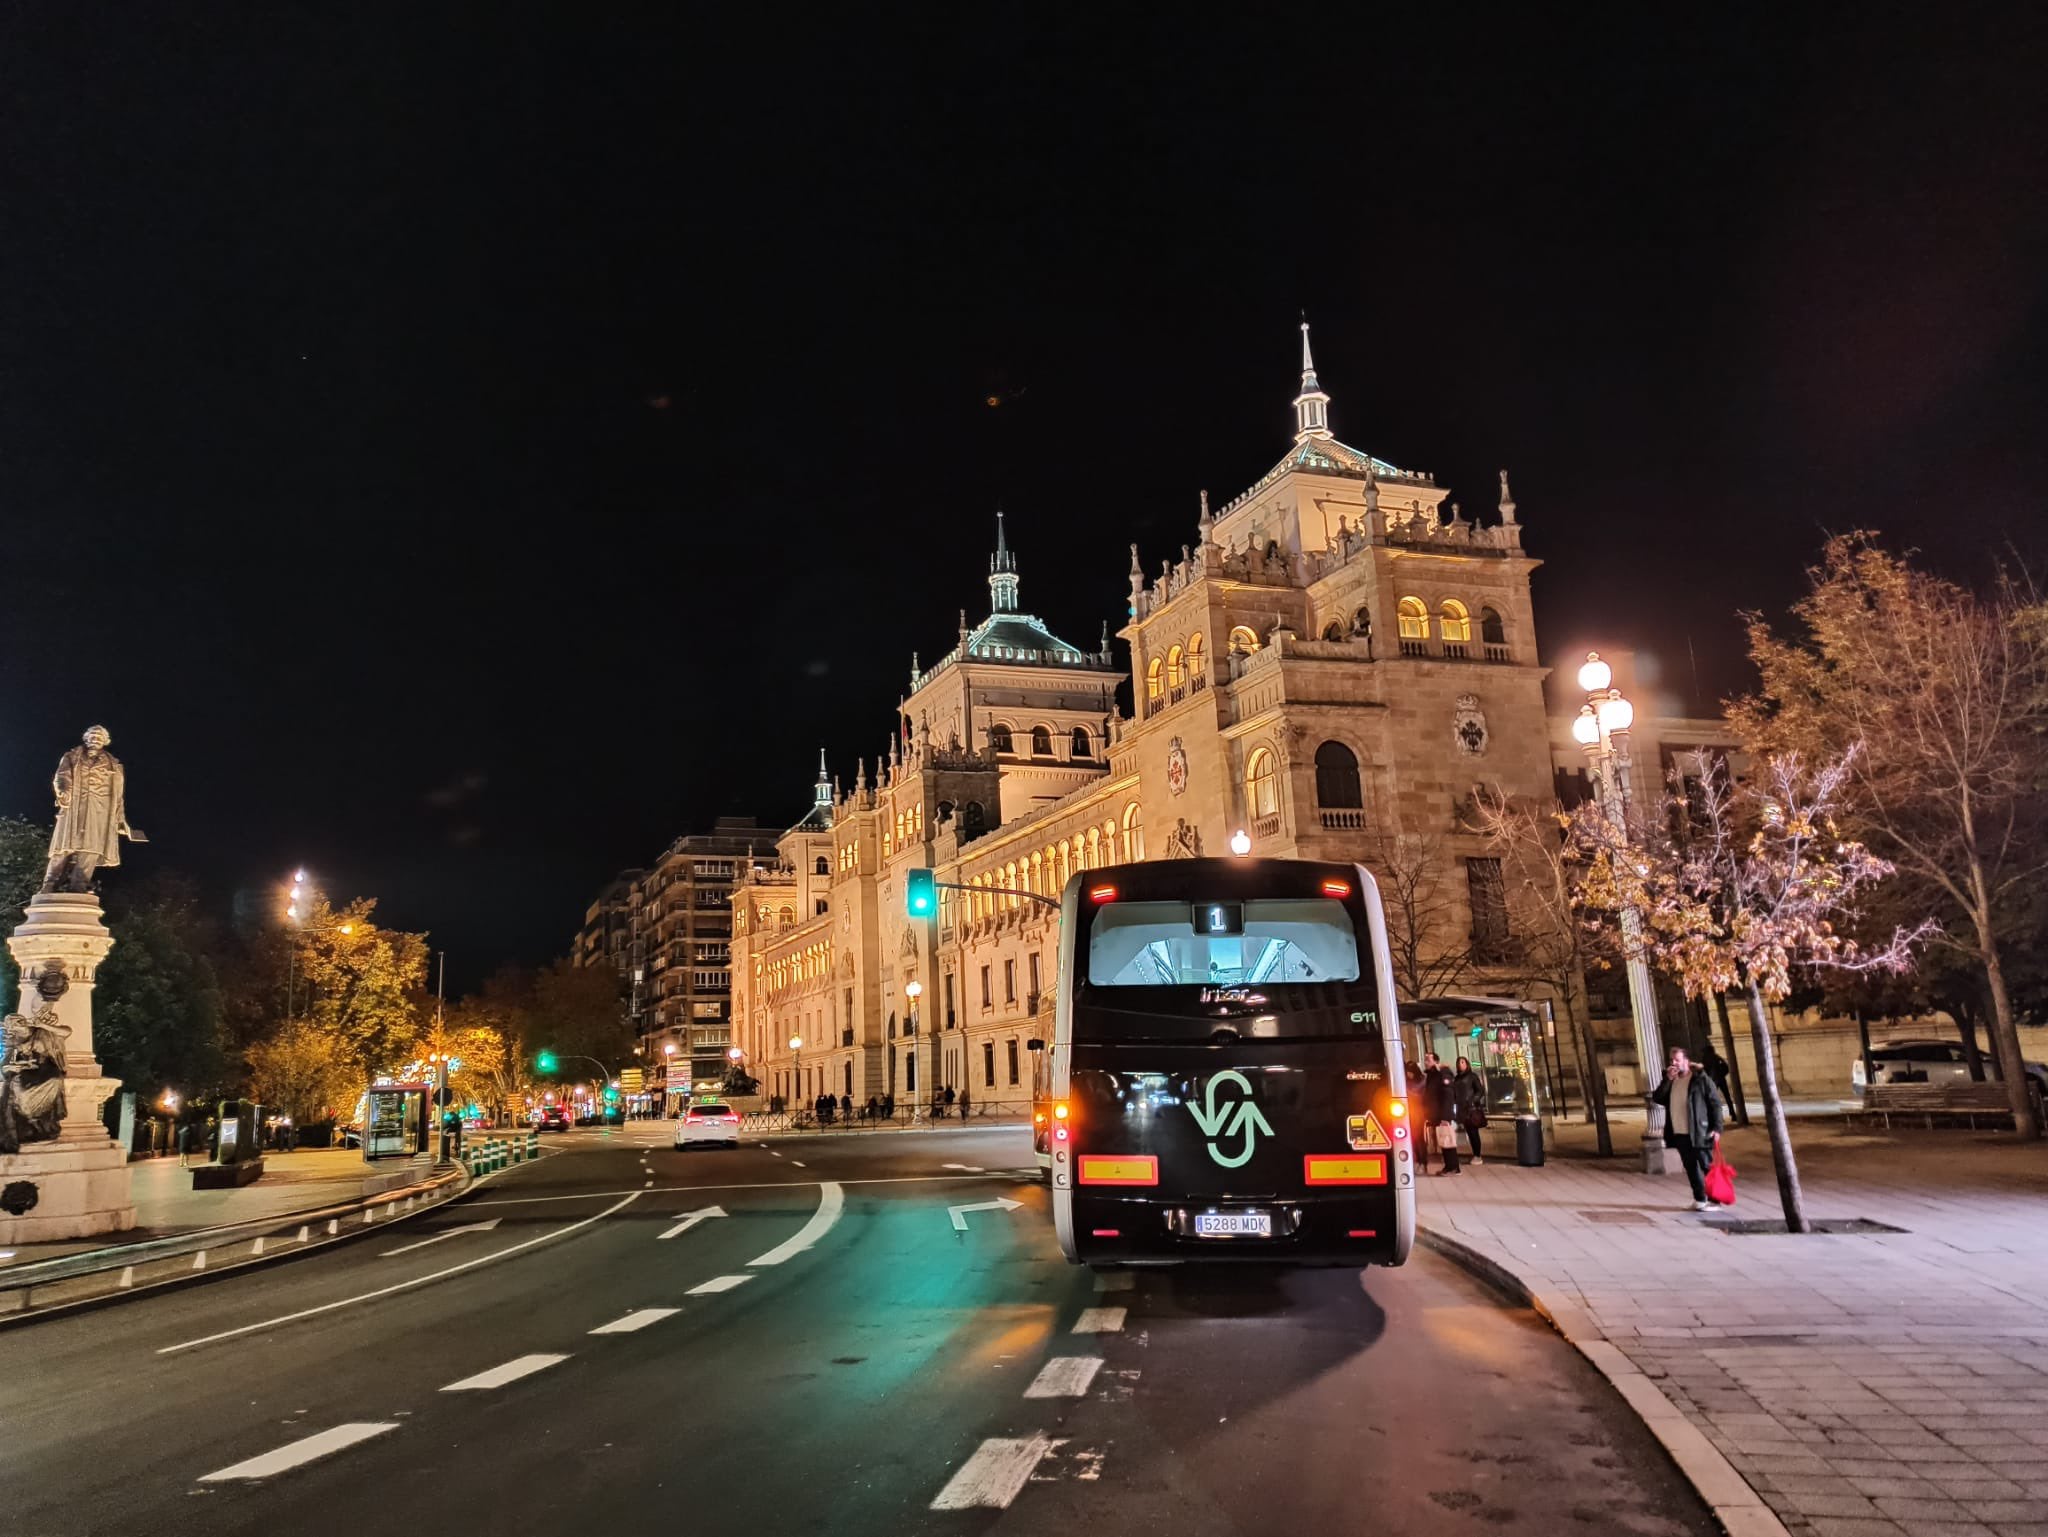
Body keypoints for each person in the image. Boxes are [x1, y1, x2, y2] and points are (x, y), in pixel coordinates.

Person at [1651, 1047, 1728, 1211]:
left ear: (1686, 1061)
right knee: (1690, 1167)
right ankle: (1700, 1199)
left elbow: (1715, 1104)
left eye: (1677, 1060)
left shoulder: (1700, 1079)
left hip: (1699, 1131)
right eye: (1672, 1060)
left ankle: (1715, 1201)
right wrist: (1667, 1080)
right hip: (1679, 1132)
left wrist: (1717, 1128)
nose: (1674, 1064)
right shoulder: (1672, 1081)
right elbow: (1657, 1098)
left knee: (1706, 1166)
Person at [1423, 1053, 1460, 1174]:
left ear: (1436, 1061)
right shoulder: (1432, 1074)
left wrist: (1445, 1116)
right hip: (1436, 1114)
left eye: (1428, 1060)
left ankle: (1452, 1167)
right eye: (1425, 1060)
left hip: (1443, 1114)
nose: (1426, 1062)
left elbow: (1448, 1097)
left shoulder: (1442, 1073)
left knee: (1447, 1139)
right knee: (1443, 1140)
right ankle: (1450, 1166)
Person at [1452, 1056, 1488, 1165]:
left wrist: (1473, 1100)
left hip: (1471, 1109)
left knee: (1473, 1133)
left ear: (1467, 1064)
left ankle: (1478, 1155)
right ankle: (1474, 1154)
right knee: (1468, 1132)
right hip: (1461, 1108)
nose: (1460, 1064)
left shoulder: (1472, 1076)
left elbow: (1480, 1090)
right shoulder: (1457, 1078)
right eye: (1459, 1062)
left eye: (1463, 1062)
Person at [1405, 1059, 1431, 1173]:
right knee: (1413, 1139)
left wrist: (1409, 1094)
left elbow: (1423, 1096)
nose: (1408, 1074)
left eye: (1410, 1072)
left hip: (1419, 1112)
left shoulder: (1423, 1080)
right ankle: (1417, 1160)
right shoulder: (1405, 1081)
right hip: (1408, 1112)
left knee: (1419, 1138)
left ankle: (1423, 1161)